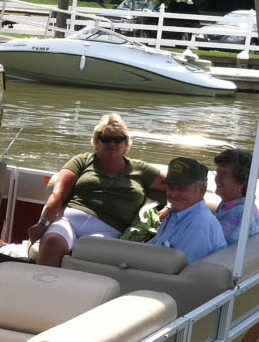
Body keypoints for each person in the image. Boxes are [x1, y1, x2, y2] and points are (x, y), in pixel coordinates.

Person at [29, 113, 166, 268]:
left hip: (109, 229)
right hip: (68, 220)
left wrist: (169, 207)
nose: (112, 144)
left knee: (90, 251)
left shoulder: (141, 169)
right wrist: (42, 224)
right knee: (52, 242)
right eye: (106, 139)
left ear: (126, 143)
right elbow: (58, 194)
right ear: (96, 140)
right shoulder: (82, 160)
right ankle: (42, 289)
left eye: (118, 139)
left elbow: (176, 186)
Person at [150, 156, 227, 262]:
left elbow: (180, 269)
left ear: (202, 190)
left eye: (182, 189)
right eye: (170, 188)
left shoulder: (200, 225)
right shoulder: (176, 214)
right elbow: (153, 248)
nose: (174, 194)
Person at [214, 147, 259, 243]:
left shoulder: (239, 215)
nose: (217, 179)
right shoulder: (229, 204)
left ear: (242, 182)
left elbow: (214, 252)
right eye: (217, 173)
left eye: (224, 175)